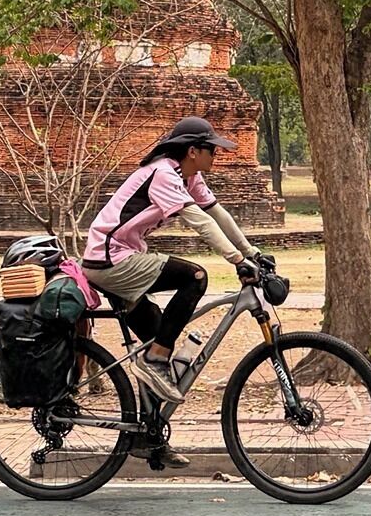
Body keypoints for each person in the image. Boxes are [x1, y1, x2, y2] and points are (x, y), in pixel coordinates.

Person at [82, 116, 271, 418]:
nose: (216, 155)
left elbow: (217, 213)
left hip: (121, 257)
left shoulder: (187, 176)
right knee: (194, 277)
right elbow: (200, 222)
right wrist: (237, 260)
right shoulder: (163, 174)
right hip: (109, 260)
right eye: (212, 149)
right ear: (193, 151)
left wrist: (253, 252)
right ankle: (156, 359)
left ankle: (150, 438)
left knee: (157, 338)